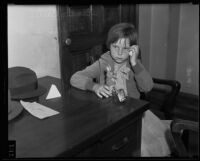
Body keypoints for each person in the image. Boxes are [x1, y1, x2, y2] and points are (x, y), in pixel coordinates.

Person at [70, 23, 173, 156]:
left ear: (133, 49)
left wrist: (135, 64)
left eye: (125, 48)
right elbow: (75, 78)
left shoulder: (134, 63)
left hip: (133, 113)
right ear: (109, 45)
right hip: (108, 114)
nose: (119, 53)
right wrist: (94, 86)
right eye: (115, 47)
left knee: (142, 148)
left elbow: (147, 87)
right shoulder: (104, 62)